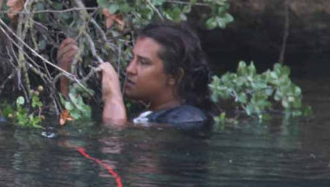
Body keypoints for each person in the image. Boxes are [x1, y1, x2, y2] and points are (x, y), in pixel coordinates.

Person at [58, 21, 215, 127]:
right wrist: (66, 77)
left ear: (174, 76)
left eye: (143, 62)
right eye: (133, 59)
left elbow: (113, 146)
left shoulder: (188, 118)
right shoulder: (142, 112)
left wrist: (113, 98)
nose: (129, 69)